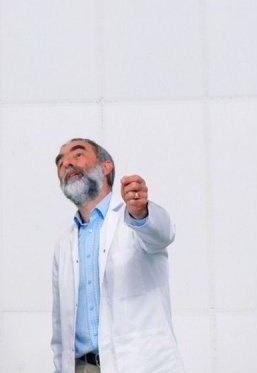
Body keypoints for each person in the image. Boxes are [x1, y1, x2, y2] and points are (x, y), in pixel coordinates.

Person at [51, 139, 185, 373]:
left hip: (139, 365)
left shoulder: (133, 219)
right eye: (60, 162)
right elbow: (60, 328)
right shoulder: (64, 244)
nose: (66, 164)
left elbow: (162, 234)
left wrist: (140, 211)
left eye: (77, 154)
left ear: (106, 166)